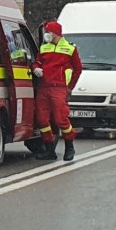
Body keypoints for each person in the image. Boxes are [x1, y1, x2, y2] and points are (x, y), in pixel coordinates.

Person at [32, 20, 83, 162]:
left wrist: (70, 87)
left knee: (61, 119)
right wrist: (36, 67)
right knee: (42, 120)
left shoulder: (69, 49)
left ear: (56, 34)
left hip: (59, 88)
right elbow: (38, 61)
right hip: (44, 87)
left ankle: (69, 146)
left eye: (49, 32)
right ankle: (49, 149)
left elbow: (78, 69)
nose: (47, 34)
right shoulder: (44, 48)